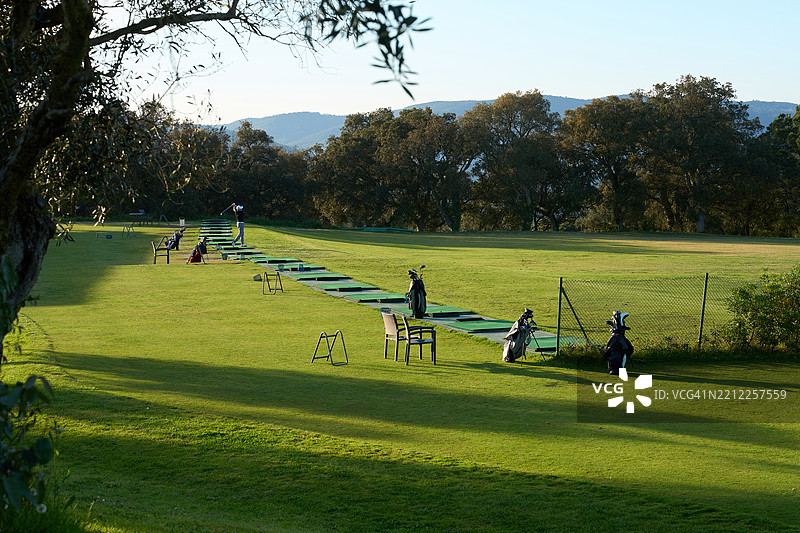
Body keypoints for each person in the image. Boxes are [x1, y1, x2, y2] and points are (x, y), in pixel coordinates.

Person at [603, 310, 633, 375]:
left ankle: (611, 368)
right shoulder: (622, 339)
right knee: (625, 352)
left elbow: (606, 353)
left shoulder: (613, 339)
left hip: (612, 368)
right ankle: (621, 368)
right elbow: (628, 349)